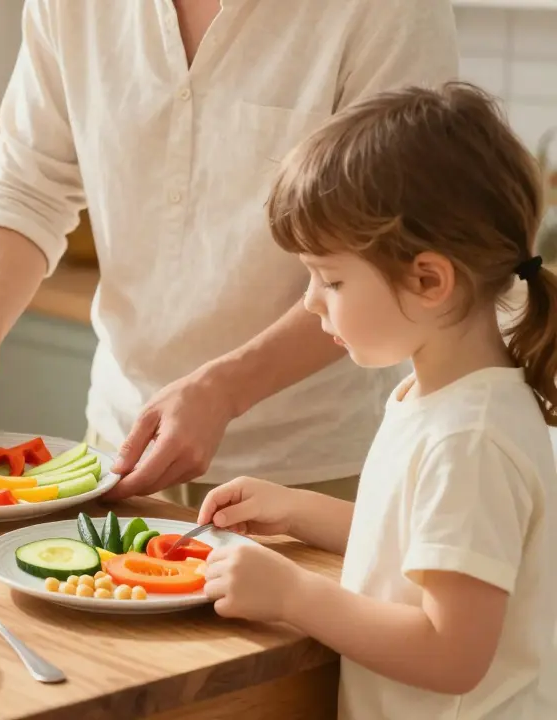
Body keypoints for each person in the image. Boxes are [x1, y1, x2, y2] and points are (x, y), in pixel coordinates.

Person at [0, 1, 460, 508]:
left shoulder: (390, 10)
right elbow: (28, 182)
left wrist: (225, 389)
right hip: (120, 447)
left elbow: (392, 252)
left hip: (318, 470)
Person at [197, 82, 557, 719]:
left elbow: (452, 654)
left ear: (428, 280)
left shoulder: (469, 441)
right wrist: (298, 511)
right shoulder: (436, 398)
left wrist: (294, 595)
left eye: (330, 279)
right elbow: (418, 549)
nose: (310, 302)